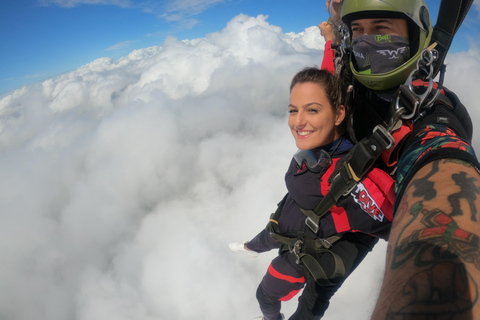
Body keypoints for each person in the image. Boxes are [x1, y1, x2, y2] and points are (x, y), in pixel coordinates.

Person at [327, 0, 480, 318]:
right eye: (358, 30)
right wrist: (338, 26)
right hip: (349, 198)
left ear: (414, 37)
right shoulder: (358, 87)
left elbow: (442, 160)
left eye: (382, 29)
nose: (366, 39)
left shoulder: (431, 115)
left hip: (372, 216)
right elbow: (342, 62)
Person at [230, 67, 395, 319]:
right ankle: (254, 256)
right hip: (290, 231)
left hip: (311, 255)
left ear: (339, 113)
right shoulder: (325, 146)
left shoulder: (348, 177)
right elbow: (326, 81)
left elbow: (402, 221)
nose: (298, 121)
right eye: (293, 110)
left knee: (271, 298)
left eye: (312, 110)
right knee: (265, 271)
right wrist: (331, 42)